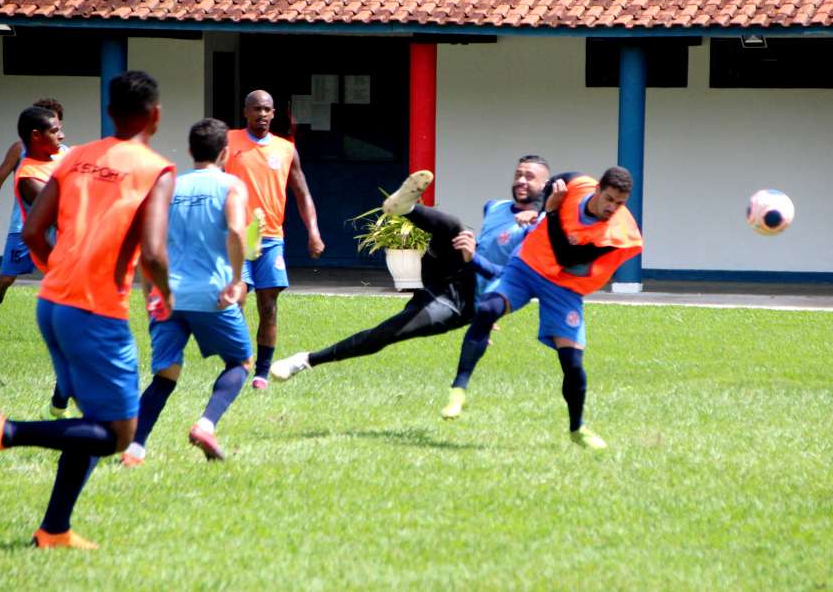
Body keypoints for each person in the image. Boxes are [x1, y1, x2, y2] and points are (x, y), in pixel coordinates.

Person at [0, 70, 175, 549]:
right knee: (119, 434)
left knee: (90, 422)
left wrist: (60, 270)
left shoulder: (75, 158)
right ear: (156, 116)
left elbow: (33, 231)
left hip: (53, 303)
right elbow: (155, 254)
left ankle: (53, 529)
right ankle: (5, 431)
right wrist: (167, 295)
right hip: (96, 311)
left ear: (110, 112)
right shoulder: (156, 169)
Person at [269, 156, 551, 378]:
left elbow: (512, 279)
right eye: (518, 174)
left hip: (461, 305)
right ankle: (405, 208)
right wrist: (470, 251)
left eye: (530, 177)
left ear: (546, 185)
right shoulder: (495, 207)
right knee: (454, 227)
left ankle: (305, 360)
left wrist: (487, 315)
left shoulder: (541, 229)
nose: (521, 180)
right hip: (449, 271)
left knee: (384, 335)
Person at [441, 167, 643, 450]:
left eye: (620, 203)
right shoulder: (578, 184)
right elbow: (556, 181)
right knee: (487, 310)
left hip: (565, 285)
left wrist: (551, 212)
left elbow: (566, 256)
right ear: (597, 188)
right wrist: (539, 208)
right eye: (609, 199)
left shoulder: (619, 232)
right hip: (528, 265)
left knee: (572, 362)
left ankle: (578, 428)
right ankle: (458, 390)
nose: (612, 208)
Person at [120, 118, 253, 466]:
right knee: (241, 361)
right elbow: (236, 232)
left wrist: (149, 293)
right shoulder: (231, 186)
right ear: (225, 153)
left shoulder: (169, 188)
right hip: (211, 295)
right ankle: (205, 426)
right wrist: (236, 281)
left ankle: (134, 450)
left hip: (168, 296)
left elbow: (147, 245)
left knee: (165, 374)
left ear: (190, 150)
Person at [225, 90, 324, 390]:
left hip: (271, 238)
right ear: (245, 112)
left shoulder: (285, 149)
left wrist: (313, 232)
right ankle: (238, 363)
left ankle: (261, 373)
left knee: (268, 307)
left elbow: (302, 193)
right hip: (238, 237)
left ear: (273, 113)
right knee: (237, 300)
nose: (262, 115)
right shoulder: (228, 141)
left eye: (267, 109)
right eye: (256, 109)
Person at [0, 98, 66, 339]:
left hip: (55, 229)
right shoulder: (20, 150)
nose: (58, 132)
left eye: (58, 125)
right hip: (23, 227)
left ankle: (61, 332)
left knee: (62, 278)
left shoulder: (65, 154)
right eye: (52, 127)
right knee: (6, 278)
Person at [7, 106, 74, 420]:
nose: (62, 135)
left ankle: (58, 408)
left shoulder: (63, 157)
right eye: (54, 130)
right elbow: (62, 212)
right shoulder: (29, 176)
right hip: (63, 268)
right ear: (36, 136)